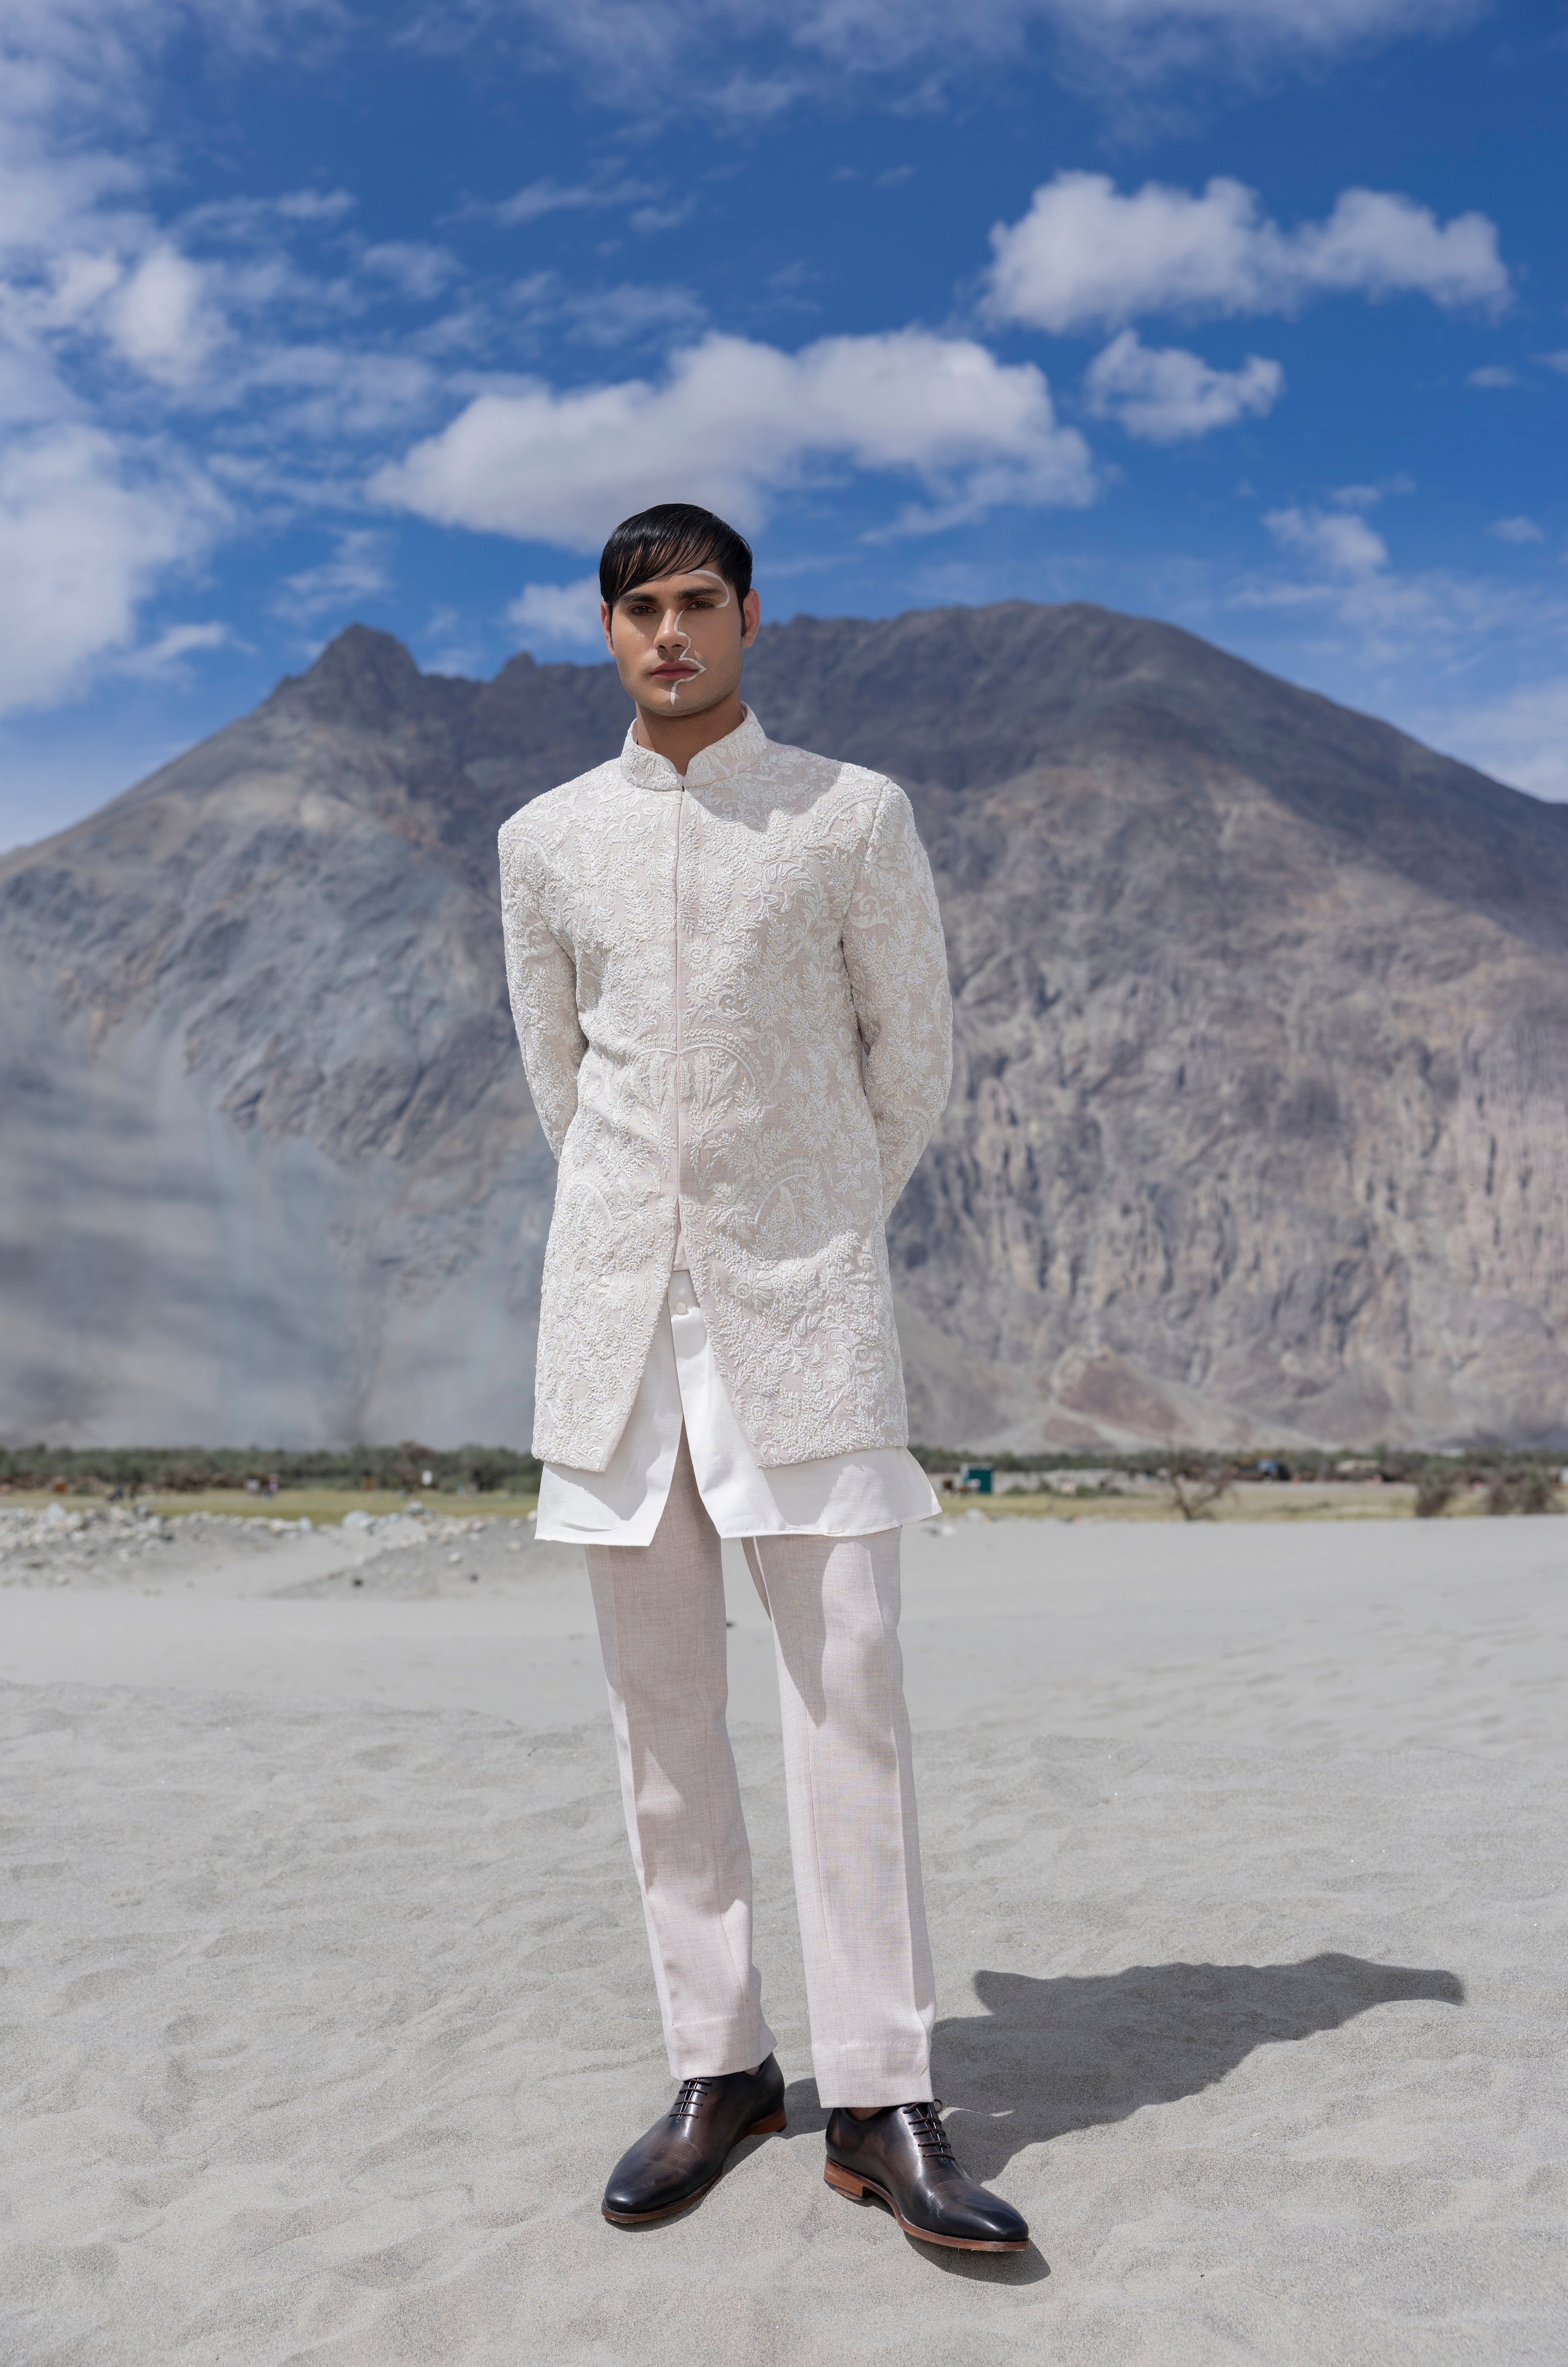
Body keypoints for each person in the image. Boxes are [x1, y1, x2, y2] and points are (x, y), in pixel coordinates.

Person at [497, 502, 1028, 2254]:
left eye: (697, 605)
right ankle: (717, 2069)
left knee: (846, 1708)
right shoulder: (544, 840)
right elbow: (561, 1087)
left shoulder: (849, 814)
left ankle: (882, 2100)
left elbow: (914, 1059)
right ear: (605, 630)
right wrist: (649, 1240)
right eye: (637, 610)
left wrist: (799, 1224)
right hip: (613, 1332)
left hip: (800, 1321)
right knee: (660, 1731)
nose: (668, 635)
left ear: (748, 619)